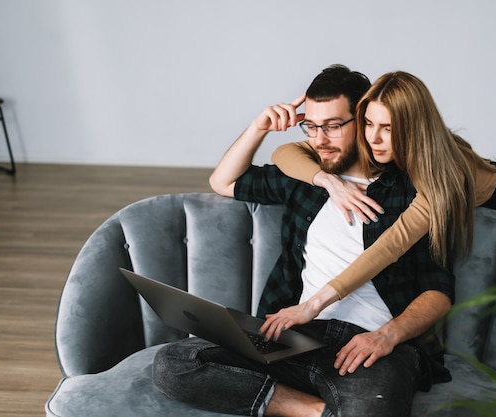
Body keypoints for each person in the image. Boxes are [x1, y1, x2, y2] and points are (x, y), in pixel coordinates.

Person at [152, 65, 454, 417]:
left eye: (332, 126)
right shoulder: (306, 179)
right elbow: (223, 182)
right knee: (177, 361)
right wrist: (259, 128)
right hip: (298, 335)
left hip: (371, 346)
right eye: (311, 126)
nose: (319, 138)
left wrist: (387, 336)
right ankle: (314, 412)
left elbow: (439, 291)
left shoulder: (413, 191)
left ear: (363, 118)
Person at [265, 71, 496, 330]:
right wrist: (329, 181)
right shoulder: (378, 142)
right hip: (455, 188)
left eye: (387, 128)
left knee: (485, 279)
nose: (373, 138)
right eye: (369, 123)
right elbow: (286, 151)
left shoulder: (441, 172)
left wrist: (313, 304)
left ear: (412, 128)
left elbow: (393, 243)